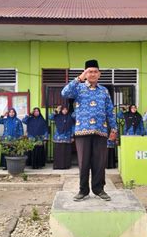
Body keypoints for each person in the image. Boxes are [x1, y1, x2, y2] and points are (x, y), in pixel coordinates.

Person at [61, 59, 118, 201]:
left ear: (99, 74)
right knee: (84, 162)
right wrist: (78, 79)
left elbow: (110, 111)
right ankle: (83, 190)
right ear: (85, 74)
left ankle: (99, 189)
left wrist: (114, 129)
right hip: (82, 131)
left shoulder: (104, 91)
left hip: (101, 131)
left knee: (100, 162)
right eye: (89, 72)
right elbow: (64, 93)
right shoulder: (78, 88)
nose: (92, 74)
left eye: (95, 72)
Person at [49, 105, 75, 170]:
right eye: (63, 109)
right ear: (61, 110)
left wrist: (72, 136)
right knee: (58, 152)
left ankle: (66, 166)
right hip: (58, 137)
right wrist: (56, 110)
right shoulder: (57, 116)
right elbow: (50, 117)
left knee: (66, 152)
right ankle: (57, 166)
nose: (65, 111)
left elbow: (73, 127)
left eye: (66, 109)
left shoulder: (70, 117)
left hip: (67, 137)